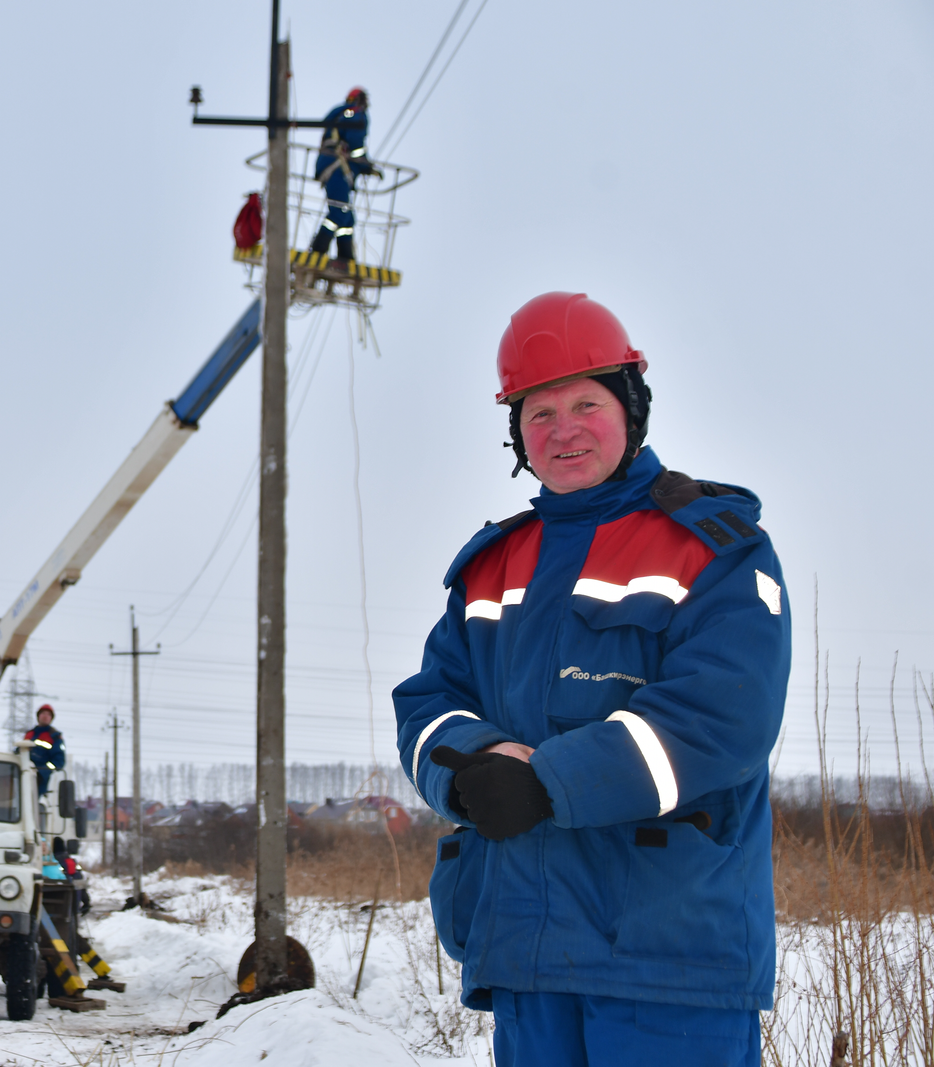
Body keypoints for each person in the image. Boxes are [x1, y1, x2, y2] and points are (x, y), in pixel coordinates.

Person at [394, 291, 789, 1066]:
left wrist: (548, 782)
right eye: (538, 412)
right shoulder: (491, 567)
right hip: (528, 953)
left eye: (586, 404)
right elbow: (427, 702)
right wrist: (476, 765)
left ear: (631, 408)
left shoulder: (717, 548)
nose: (563, 429)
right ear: (516, 432)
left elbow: (724, 716)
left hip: (669, 962)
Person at [307, 87, 382, 264]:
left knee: (347, 217)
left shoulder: (341, 113)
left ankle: (345, 255)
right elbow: (356, 145)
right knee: (339, 211)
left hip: (331, 164)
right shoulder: (356, 115)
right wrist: (366, 166)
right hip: (337, 167)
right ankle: (318, 249)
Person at [23, 704, 65, 797]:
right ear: (38, 716)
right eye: (43, 713)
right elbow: (21, 751)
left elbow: (59, 761)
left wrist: (43, 771)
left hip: (41, 780)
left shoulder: (55, 737)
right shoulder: (29, 734)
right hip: (23, 773)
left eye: (48, 714)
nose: (45, 716)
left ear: (51, 718)